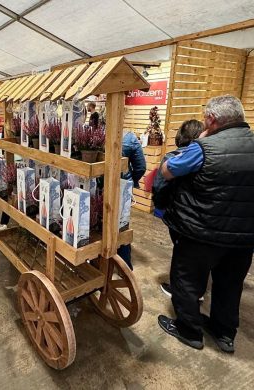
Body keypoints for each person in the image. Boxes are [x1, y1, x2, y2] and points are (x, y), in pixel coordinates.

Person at [157, 95, 254, 353]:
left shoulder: (204, 148)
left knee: (187, 281)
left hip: (202, 232)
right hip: (244, 238)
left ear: (211, 120)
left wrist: (197, 144)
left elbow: (167, 170)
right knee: (230, 285)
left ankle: (189, 331)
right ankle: (224, 334)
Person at [152, 120, 204, 299]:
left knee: (181, 253)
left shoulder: (172, 157)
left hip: (179, 213)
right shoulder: (209, 156)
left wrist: (159, 206)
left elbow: (160, 186)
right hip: (203, 215)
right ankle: (198, 289)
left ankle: (181, 292)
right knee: (198, 256)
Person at [116, 130, 146, 269]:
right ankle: (125, 265)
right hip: (122, 187)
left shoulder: (98, 134)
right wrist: (129, 180)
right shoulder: (130, 138)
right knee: (122, 224)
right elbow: (141, 167)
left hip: (100, 185)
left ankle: (98, 262)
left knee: (100, 224)